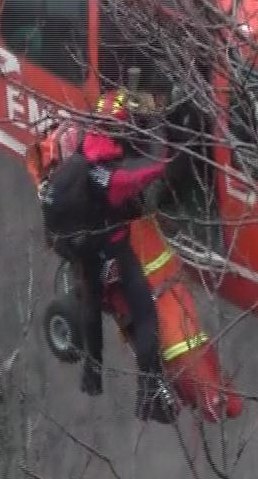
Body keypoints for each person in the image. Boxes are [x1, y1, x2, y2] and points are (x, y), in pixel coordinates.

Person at [29, 88, 179, 424]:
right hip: (109, 243)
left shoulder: (80, 148)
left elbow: (112, 101)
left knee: (92, 303)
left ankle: (93, 373)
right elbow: (154, 167)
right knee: (145, 313)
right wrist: (158, 125)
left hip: (77, 247)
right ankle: (147, 391)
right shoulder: (109, 176)